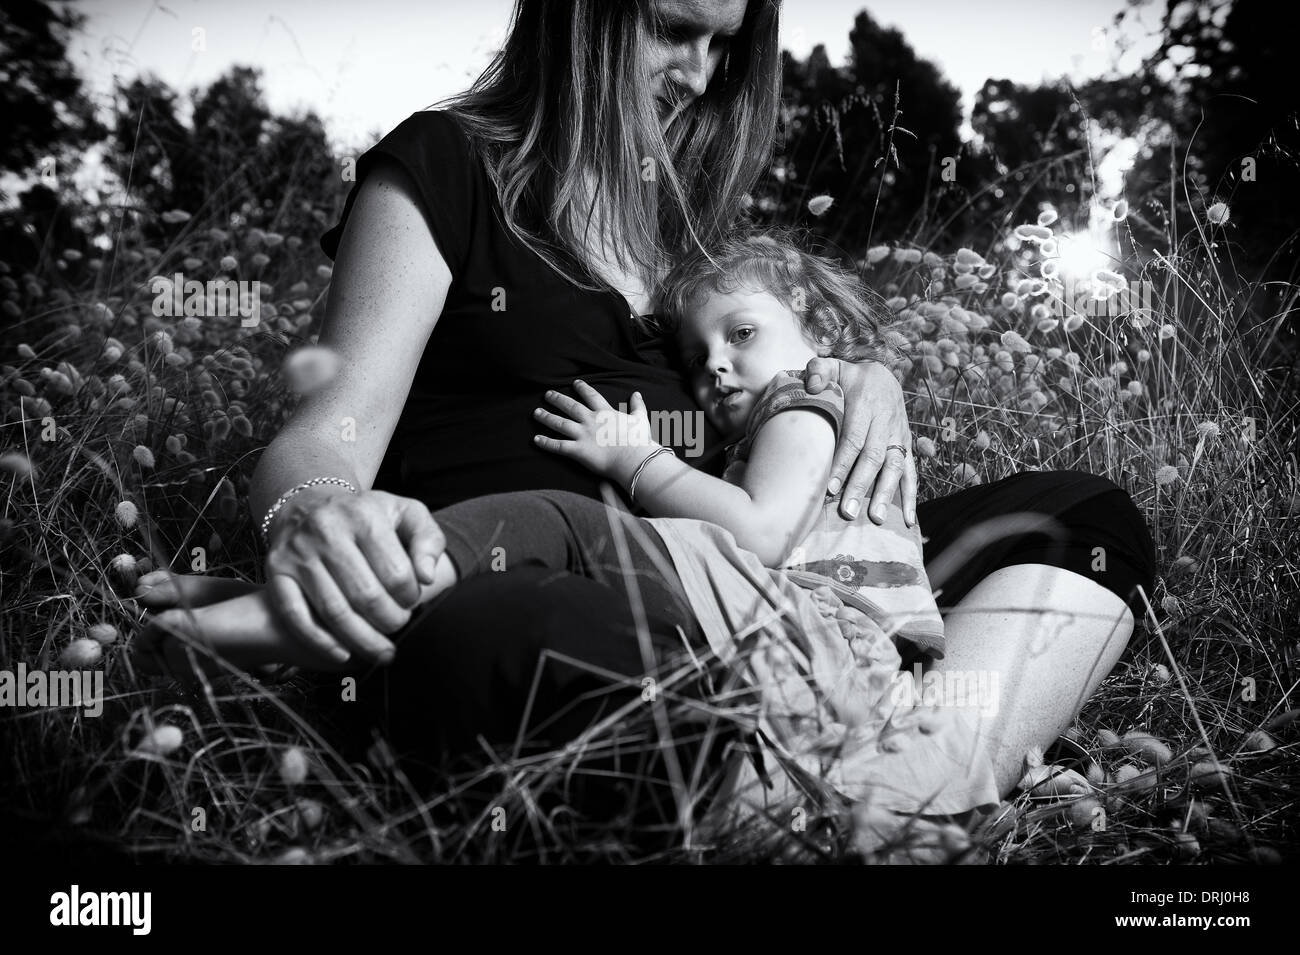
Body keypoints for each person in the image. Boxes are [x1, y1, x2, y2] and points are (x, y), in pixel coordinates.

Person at [133, 0, 1156, 831]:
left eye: (724, 43)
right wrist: (312, 515)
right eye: (673, 29)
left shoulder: (685, 243)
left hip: (749, 592)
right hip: (513, 579)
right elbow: (327, 429)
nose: (702, 75)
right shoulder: (445, 168)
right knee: (531, 636)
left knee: (1081, 514)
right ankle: (900, 791)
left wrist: (858, 380)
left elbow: (776, 366)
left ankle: (886, 785)